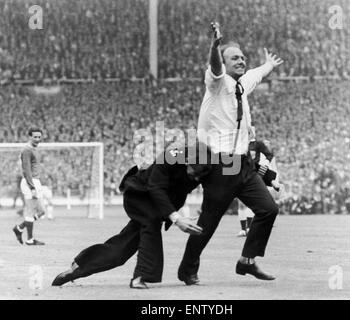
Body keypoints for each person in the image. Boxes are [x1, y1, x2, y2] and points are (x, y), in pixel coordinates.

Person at [178, 22, 284, 285]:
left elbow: (256, 74)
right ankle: (187, 269)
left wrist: (268, 65)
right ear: (224, 62)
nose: (241, 60)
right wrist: (214, 47)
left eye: (242, 57)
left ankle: (247, 261)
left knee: (268, 209)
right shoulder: (217, 83)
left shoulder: (241, 85)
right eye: (234, 57)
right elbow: (215, 67)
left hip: (243, 165)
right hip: (221, 164)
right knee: (208, 223)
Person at [52, 143, 210, 289]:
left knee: (121, 251)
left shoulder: (210, 162)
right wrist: (176, 218)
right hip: (139, 195)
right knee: (151, 222)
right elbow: (155, 188)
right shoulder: (169, 158)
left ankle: (79, 266)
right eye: (193, 173)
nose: (196, 179)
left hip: (157, 204)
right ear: (186, 160)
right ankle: (141, 277)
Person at [12, 128, 46, 245]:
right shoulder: (27, 150)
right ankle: (30, 239)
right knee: (30, 212)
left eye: (39, 137)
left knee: (42, 211)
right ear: (29, 137)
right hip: (30, 183)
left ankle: (20, 228)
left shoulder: (33, 149)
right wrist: (32, 187)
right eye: (35, 137)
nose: (37, 139)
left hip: (35, 182)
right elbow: (26, 170)